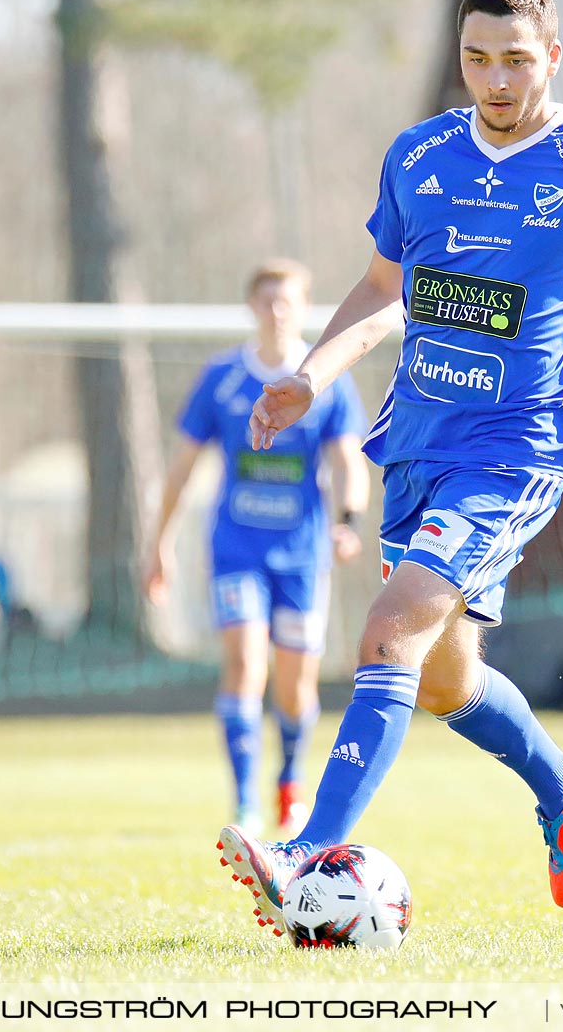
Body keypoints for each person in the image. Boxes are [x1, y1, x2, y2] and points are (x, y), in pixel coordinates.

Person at [216, 0, 563, 938]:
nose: (495, 79)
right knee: (442, 678)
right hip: (419, 438)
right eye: (475, 59)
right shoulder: (419, 158)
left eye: (514, 60)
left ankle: (301, 854)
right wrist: (313, 372)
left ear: (551, 57)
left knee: (387, 631)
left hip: (518, 446)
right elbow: (383, 289)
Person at [145, 260, 368, 836]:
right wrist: (160, 543)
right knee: (244, 663)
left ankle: (288, 788)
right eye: (266, 300)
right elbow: (182, 468)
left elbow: (349, 462)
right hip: (236, 549)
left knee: (295, 686)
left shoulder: (324, 380)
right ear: (250, 306)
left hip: (302, 554)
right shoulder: (222, 378)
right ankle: (243, 801)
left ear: (302, 306)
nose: (276, 311)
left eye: (286, 300)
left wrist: (349, 521)